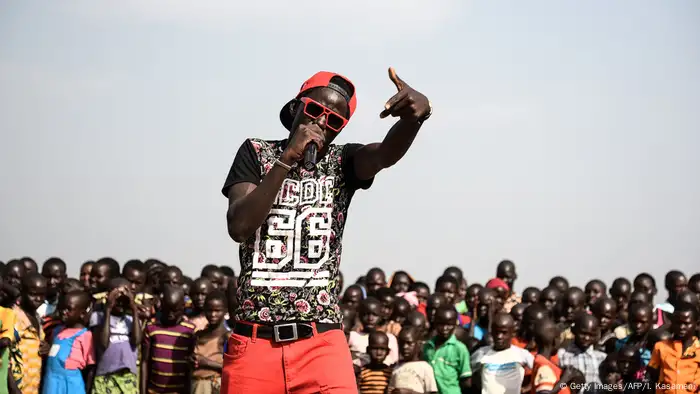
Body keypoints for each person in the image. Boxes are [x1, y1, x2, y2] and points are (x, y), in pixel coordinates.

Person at [220, 67, 430, 393]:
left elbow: (384, 154)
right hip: (255, 343)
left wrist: (414, 118)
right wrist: (287, 159)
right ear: (294, 108)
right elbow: (240, 225)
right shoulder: (256, 153)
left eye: (333, 121)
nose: (320, 123)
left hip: (321, 344)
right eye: (314, 111)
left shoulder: (341, 162)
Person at [91, 278, 141, 394]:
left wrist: (134, 308)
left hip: (128, 377)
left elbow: (137, 341)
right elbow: (103, 343)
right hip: (105, 377)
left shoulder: (131, 320)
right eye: (117, 299)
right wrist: (108, 309)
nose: (120, 303)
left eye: (124, 299)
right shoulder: (98, 317)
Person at [141, 286, 195, 394]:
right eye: (167, 309)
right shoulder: (151, 328)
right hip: (154, 391)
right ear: (161, 305)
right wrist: (143, 390)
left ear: (183, 307)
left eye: (175, 310)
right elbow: (145, 362)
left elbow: (190, 366)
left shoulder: (189, 331)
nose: (170, 314)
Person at [41, 290, 96, 394]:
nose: (63, 311)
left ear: (82, 314)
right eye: (63, 308)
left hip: (70, 384)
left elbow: (91, 367)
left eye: (69, 309)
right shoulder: (57, 331)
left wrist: (88, 389)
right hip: (51, 382)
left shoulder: (85, 335)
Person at [470, 313, 534, 394]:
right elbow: (467, 374)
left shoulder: (522, 354)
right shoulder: (481, 353)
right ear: (491, 332)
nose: (499, 336)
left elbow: (540, 372)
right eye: (496, 332)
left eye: (504, 333)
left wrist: (526, 389)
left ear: (512, 333)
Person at [647, 302, 700, 394]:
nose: (681, 327)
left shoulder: (698, 351)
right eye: (677, 323)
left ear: (697, 324)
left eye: (686, 323)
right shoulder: (660, 347)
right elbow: (652, 375)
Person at [10, 273, 47, 394]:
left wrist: (47, 347)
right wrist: (14, 388)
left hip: (32, 386)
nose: (38, 299)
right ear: (22, 291)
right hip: (16, 387)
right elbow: (4, 356)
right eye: (33, 294)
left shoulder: (37, 317)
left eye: (42, 295)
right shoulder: (13, 317)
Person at [423, 306, 471, 394]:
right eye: (441, 324)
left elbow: (466, 381)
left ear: (455, 324)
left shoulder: (459, 349)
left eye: (449, 325)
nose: (445, 328)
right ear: (435, 323)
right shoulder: (427, 347)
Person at [192, 291, 229, 394]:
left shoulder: (227, 337)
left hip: (215, 387)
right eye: (209, 310)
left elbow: (233, 369)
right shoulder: (199, 335)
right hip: (195, 385)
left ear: (225, 311)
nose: (213, 314)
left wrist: (207, 363)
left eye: (217, 311)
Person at [557, 314, 607, 385]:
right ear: (573, 330)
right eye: (583, 333)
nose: (587, 338)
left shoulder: (602, 358)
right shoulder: (562, 355)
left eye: (591, 335)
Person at [387, 326, 438, 394]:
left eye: (409, 343)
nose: (405, 347)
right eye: (402, 343)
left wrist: (410, 392)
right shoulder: (396, 368)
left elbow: (432, 392)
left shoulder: (425, 367)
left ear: (419, 344)